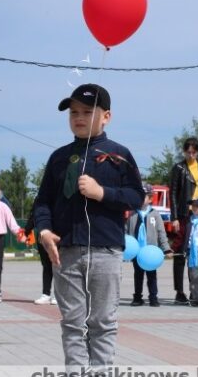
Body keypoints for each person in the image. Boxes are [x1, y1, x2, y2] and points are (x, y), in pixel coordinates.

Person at [33, 83, 144, 370]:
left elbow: (136, 196)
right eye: (73, 112)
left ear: (106, 116)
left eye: (86, 111)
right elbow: (43, 202)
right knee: (72, 322)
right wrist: (44, 231)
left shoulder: (119, 155)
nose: (78, 117)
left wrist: (102, 193)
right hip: (66, 252)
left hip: (106, 251)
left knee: (103, 322)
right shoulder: (59, 157)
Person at [169, 137, 198, 305]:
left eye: (194, 152)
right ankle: (179, 291)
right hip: (183, 213)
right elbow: (173, 192)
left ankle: (195, 291)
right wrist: (175, 217)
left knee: (195, 254)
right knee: (180, 253)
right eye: (188, 152)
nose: (191, 155)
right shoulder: (179, 167)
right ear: (184, 151)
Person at [126, 183, 172, 307]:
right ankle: (137, 297)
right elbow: (127, 231)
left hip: (151, 252)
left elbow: (161, 232)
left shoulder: (155, 214)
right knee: (138, 275)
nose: (140, 199)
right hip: (137, 252)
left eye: (143, 196)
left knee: (152, 276)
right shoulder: (132, 213)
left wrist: (166, 249)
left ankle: (153, 297)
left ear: (150, 198)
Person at [24, 210, 57, 305]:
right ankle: (45, 294)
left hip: (58, 236)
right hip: (43, 237)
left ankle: (58, 295)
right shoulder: (41, 198)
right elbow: (35, 214)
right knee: (46, 266)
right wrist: (27, 230)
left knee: (58, 266)